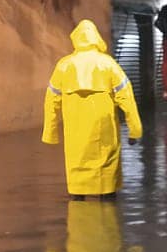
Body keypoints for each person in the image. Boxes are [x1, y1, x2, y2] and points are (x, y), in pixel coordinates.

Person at [42, 19, 142, 198]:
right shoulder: (108, 64)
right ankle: (107, 212)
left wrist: (50, 133)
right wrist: (135, 131)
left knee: (78, 173)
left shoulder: (64, 66)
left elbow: (51, 100)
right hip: (105, 131)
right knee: (106, 176)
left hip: (75, 133)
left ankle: (79, 209)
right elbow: (127, 98)